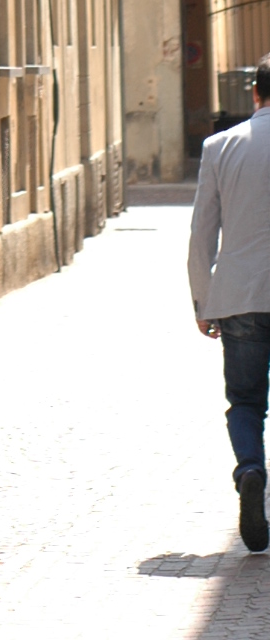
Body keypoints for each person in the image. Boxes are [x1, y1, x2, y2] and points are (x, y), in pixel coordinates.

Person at [189, 55, 270, 553]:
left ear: (255, 94)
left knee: (244, 401)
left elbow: (202, 231)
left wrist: (203, 300)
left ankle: (250, 469)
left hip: (239, 295)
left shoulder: (220, 146)